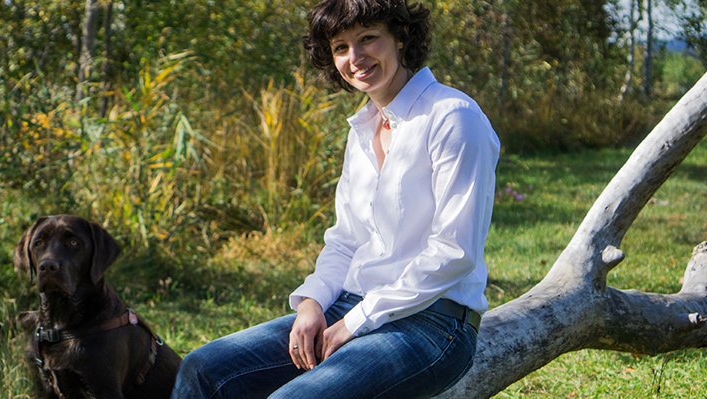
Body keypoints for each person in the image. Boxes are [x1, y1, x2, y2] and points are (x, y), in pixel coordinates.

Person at [171, 0, 500, 398]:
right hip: (349, 306)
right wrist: (312, 303)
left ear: (400, 37)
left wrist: (355, 322)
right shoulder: (361, 129)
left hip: (433, 325)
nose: (355, 57)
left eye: (367, 39)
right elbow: (346, 239)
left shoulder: (452, 116)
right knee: (203, 369)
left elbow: (454, 252)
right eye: (340, 47)